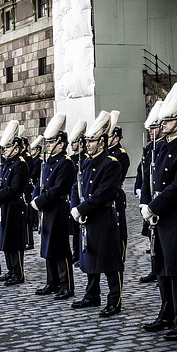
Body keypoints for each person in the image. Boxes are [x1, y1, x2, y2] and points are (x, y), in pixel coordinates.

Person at [139, 82, 177, 341]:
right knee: (162, 267)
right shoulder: (161, 147)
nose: (164, 123)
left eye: (170, 120)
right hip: (159, 215)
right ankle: (166, 313)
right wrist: (146, 204)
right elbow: (150, 179)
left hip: (176, 214)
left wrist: (154, 206)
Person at [70, 111, 124, 317]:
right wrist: (75, 207)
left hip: (103, 216)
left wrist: (82, 208)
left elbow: (104, 193)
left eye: (91, 141)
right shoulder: (86, 161)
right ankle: (92, 294)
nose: (87, 144)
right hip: (88, 217)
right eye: (88, 141)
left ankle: (114, 300)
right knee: (89, 256)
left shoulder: (111, 163)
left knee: (110, 260)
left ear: (101, 143)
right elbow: (77, 186)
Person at [32, 113, 77, 299]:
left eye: (50, 143)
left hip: (58, 208)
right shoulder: (49, 161)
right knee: (47, 247)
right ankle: (52, 282)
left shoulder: (65, 163)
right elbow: (42, 185)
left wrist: (40, 201)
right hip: (48, 209)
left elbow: (57, 189)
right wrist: (36, 198)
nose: (47, 146)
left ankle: (66, 285)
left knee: (60, 248)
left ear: (61, 144)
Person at [0, 120, 30, 285]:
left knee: (14, 240)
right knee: (6, 239)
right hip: (6, 205)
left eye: (8, 148)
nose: (5, 150)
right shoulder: (7, 164)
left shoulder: (20, 165)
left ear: (16, 148)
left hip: (15, 205)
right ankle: (10, 270)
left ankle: (18, 272)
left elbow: (14, 188)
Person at [135, 100, 164, 284]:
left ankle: (160, 268)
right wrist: (139, 189)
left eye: (154, 127)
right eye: (149, 128)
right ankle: (155, 268)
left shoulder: (162, 146)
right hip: (149, 198)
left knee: (161, 237)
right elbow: (143, 171)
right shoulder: (149, 148)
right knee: (152, 237)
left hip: (159, 199)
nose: (150, 131)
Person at [107, 110, 131, 258]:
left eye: (109, 136)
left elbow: (117, 178)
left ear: (116, 138)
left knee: (119, 228)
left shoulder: (120, 155)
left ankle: (119, 255)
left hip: (115, 195)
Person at [68, 120, 88, 265]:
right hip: (73, 195)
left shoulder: (85, 159)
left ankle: (81, 253)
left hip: (83, 197)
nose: (71, 145)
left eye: (74, 142)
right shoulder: (71, 159)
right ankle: (76, 253)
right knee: (74, 230)